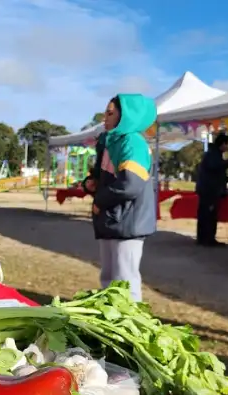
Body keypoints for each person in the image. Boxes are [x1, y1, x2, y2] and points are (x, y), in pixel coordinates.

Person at [82, 94, 157, 302]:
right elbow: (105, 177)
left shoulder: (133, 143)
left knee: (125, 281)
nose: (104, 117)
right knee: (108, 277)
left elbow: (130, 185)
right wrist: (90, 183)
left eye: (110, 113)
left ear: (125, 116)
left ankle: (129, 327)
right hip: (112, 218)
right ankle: (110, 322)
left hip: (127, 221)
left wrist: (99, 201)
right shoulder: (111, 141)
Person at [195, 133, 228, 246]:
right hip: (209, 190)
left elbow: (215, 171)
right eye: (227, 144)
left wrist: (226, 178)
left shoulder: (213, 154)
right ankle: (208, 239)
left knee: (205, 214)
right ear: (222, 144)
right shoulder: (213, 154)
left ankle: (204, 238)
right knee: (209, 215)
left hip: (207, 188)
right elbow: (215, 166)